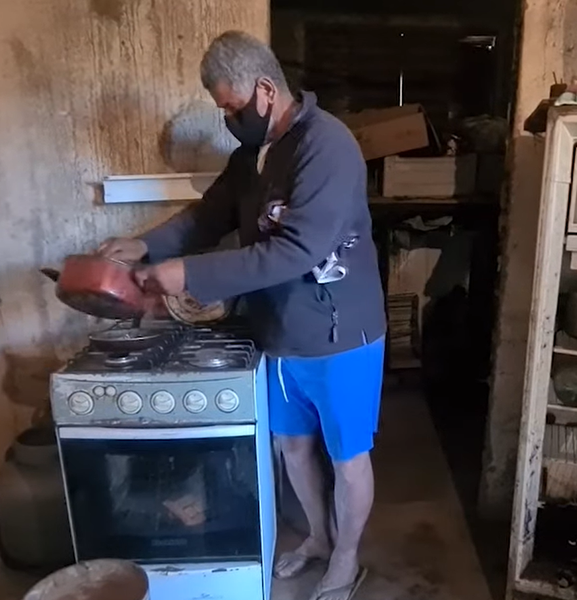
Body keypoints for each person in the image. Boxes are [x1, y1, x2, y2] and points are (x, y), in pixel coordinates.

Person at [97, 30, 385, 600]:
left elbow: (297, 250)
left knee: (348, 456)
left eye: (231, 107)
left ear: (263, 89)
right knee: (293, 446)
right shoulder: (250, 158)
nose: (228, 118)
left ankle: (347, 558)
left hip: (337, 333)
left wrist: (190, 274)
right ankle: (321, 540)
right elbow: (207, 218)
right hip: (277, 330)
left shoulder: (326, 147)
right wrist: (145, 247)